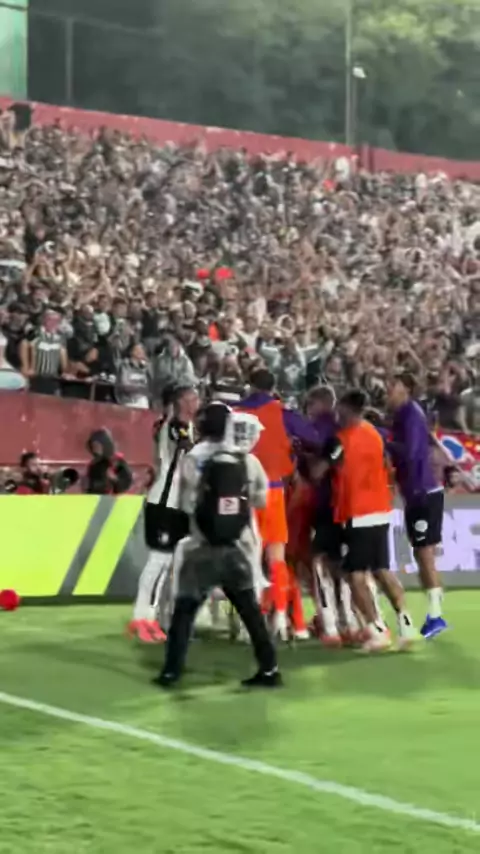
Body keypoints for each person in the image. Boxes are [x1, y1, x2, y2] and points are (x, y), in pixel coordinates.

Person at [154, 402, 282, 690]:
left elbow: (187, 504)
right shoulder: (246, 459)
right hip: (239, 546)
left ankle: (172, 671)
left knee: (185, 610)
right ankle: (269, 668)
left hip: (202, 546)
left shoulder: (195, 457)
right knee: (250, 612)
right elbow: (261, 500)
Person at [318, 390, 418, 652]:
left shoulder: (340, 439)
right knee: (381, 569)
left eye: (339, 407)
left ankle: (377, 630)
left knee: (356, 576)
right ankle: (406, 624)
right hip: (380, 509)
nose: (336, 412)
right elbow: (387, 465)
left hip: (357, 512)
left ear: (347, 408)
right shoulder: (374, 434)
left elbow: (318, 473)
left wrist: (314, 457)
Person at [238, 367, 321, 640]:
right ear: (273, 388)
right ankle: (283, 620)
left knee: (248, 558)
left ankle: (247, 625)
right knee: (277, 558)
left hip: (242, 492)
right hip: (273, 491)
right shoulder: (283, 414)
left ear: (250, 385)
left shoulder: (235, 413)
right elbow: (315, 440)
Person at [129, 385, 199, 643]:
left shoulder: (186, 426)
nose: (196, 402)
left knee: (167, 563)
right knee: (158, 561)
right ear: (180, 401)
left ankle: (151, 617)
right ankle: (140, 618)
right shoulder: (174, 425)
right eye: (191, 398)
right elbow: (188, 450)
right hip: (164, 501)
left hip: (178, 503)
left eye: (197, 398)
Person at [388, 372, 448, 638]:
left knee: (424, 553)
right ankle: (434, 611)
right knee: (421, 552)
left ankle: (436, 615)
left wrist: (386, 442)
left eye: (393, 385)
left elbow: (411, 453)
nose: (388, 390)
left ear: (407, 389)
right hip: (416, 493)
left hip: (423, 492)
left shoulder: (411, 414)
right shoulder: (403, 415)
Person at [84, 429, 133, 495]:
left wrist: (114, 479)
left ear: (105, 445)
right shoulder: (94, 465)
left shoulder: (117, 463)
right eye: (93, 446)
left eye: (97, 446)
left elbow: (126, 484)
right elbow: (91, 487)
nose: (95, 449)